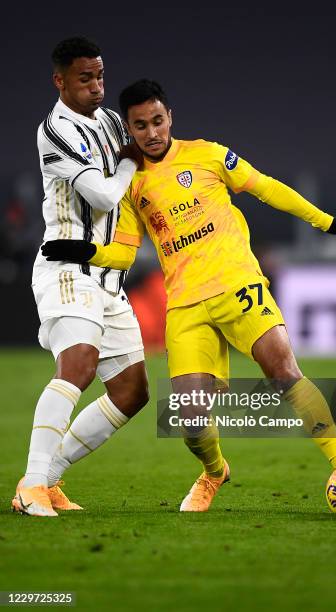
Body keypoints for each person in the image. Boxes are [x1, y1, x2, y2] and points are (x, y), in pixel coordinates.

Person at [42, 79, 336, 513]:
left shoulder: (209, 154)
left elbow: (267, 188)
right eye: (141, 126)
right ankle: (214, 471)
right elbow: (123, 252)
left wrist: (329, 223)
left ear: (170, 116)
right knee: (191, 420)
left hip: (237, 284)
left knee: (283, 369)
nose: (152, 133)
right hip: (186, 305)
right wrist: (86, 251)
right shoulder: (131, 183)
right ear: (130, 129)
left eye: (158, 121)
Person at [12, 40, 149, 517]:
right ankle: (31, 486)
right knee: (79, 365)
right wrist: (132, 159)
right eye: (85, 79)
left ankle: (47, 480)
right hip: (68, 270)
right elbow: (107, 195)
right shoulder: (56, 130)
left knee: (133, 391)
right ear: (60, 81)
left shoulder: (111, 121)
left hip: (109, 277)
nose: (97, 87)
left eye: (100, 76)